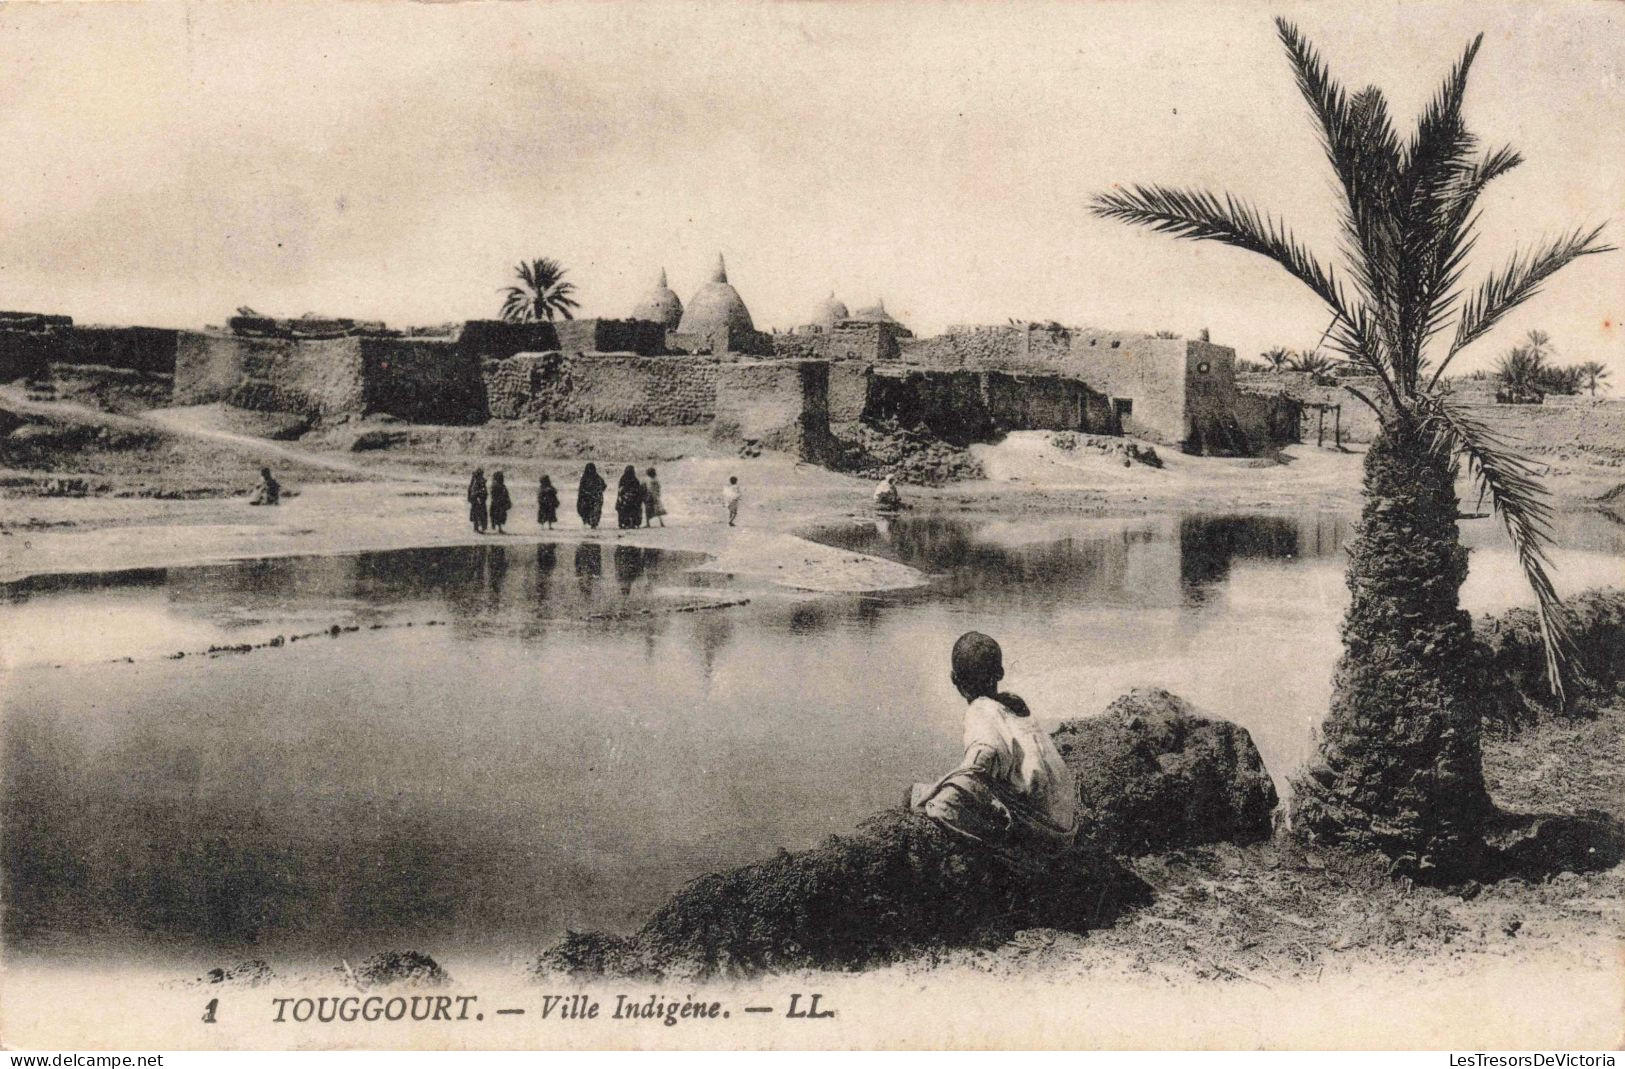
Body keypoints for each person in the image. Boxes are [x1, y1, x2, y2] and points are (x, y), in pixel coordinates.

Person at [909, 631, 1078, 869]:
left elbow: (981, 761)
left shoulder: (979, 710)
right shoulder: (1012, 705)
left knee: (925, 797)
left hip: (1044, 838)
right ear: (1000, 673)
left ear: (953, 679)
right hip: (1066, 828)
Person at [576, 463, 606, 529]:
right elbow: (581, 489)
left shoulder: (596, 478)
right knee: (589, 511)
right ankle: (590, 522)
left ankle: (593, 523)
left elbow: (603, 486)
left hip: (593, 498)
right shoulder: (586, 478)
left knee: (594, 511)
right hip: (588, 498)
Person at [615, 465, 644, 529]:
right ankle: (634, 523)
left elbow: (620, 489)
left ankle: (623, 523)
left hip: (624, 499)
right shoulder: (635, 480)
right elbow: (639, 491)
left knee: (621, 508)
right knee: (636, 508)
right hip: (633, 500)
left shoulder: (623, 478)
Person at [467, 469, 488, 533]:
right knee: (478, 515)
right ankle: (477, 529)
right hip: (477, 501)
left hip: (478, 501)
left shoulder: (476, 481)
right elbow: (474, 492)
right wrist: (478, 498)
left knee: (478, 515)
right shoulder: (476, 482)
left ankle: (477, 528)